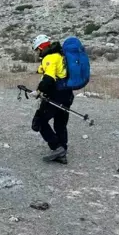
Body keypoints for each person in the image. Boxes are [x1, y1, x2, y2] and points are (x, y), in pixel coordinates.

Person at [30, 34, 74, 164]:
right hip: (67, 94)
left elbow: (49, 78)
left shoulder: (50, 57)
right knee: (60, 124)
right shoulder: (60, 56)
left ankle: (57, 147)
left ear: (41, 47)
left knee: (39, 122)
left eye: (37, 49)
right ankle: (62, 153)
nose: (37, 53)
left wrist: (38, 91)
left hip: (56, 95)